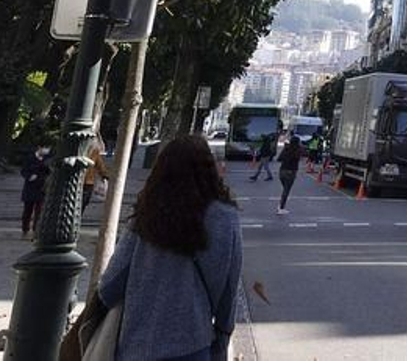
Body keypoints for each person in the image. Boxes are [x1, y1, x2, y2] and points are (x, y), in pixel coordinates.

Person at [90, 134, 242, 361]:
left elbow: (112, 282)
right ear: (209, 170)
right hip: (193, 345)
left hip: (136, 346)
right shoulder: (225, 219)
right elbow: (229, 289)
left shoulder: (147, 214)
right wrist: (222, 337)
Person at [20, 145, 52, 238]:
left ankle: (36, 231)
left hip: (42, 188)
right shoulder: (30, 158)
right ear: (39, 147)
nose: (47, 150)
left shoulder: (48, 159)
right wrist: (29, 176)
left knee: (40, 211)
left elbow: (50, 171)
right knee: (27, 210)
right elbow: (23, 170)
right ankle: (25, 229)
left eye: (48, 149)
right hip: (30, 187)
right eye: (46, 148)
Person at [276, 134, 305, 214]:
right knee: (286, 190)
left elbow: (279, 159)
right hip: (291, 172)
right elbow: (304, 154)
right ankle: (281, 208)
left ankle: (280, 205)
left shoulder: (286, 148)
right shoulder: (298, 150)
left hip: (282, 171)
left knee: (285, 190)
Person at [82, 135, 110, 214]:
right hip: (88, 181)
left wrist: (104, 175)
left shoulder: (94, 151)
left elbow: (99, 165)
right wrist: (105, 175)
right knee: (84, 202)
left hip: (86, 181)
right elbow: (100, 165)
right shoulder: (94, 151)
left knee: (83, 201)